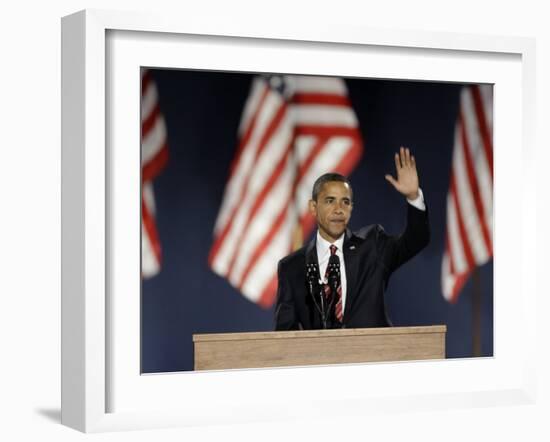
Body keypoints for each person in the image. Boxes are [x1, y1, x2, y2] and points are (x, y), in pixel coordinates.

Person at [274, 147, 429, 330]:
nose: (338, 209)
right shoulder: (292, 267)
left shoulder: (373, 246)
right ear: (313, 207)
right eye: (330, 201)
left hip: (374, 356)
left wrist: (414, 197)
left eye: (345, 202)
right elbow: (285, 333)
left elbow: (416, 240)